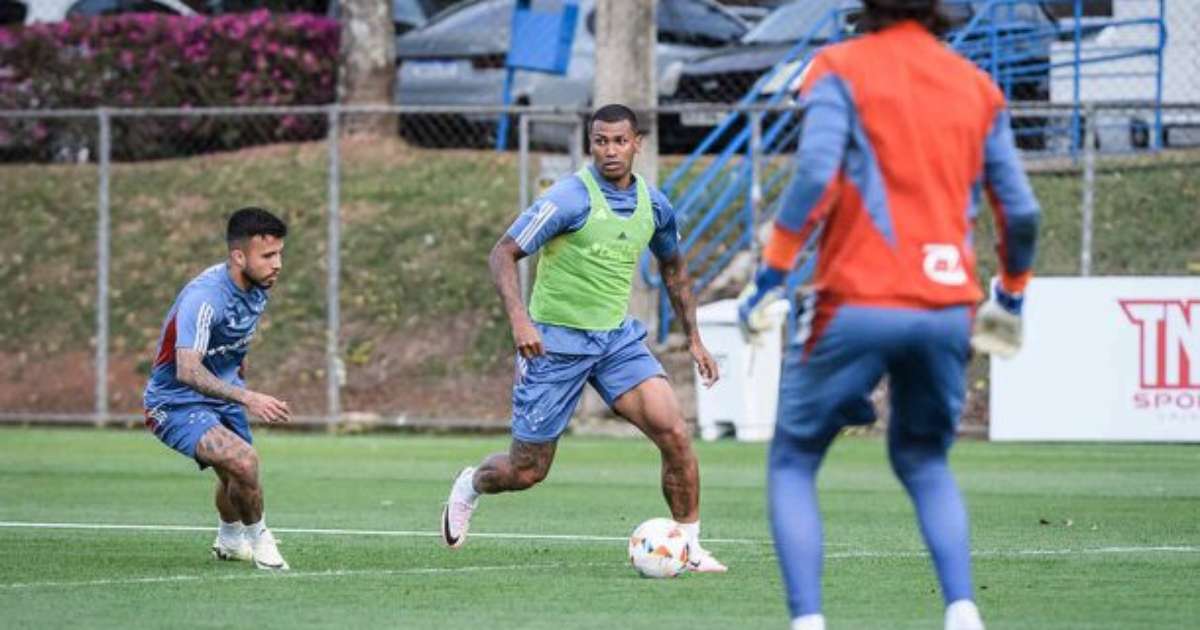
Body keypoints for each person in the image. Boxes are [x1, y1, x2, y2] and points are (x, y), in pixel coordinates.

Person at [736, 1, 1040, 628]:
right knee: (925, 461)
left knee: (794, 458)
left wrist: (771, 275)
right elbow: (1022, 212)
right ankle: (961, 611)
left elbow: (817, 172)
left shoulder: (839, 66)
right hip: (947, 307)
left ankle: (809, 621)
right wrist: (1010, 293)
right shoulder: (980, 88)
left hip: (857, 299)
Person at [440, 104, 727, 572]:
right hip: (553, 345)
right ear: (589, 144)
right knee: (526, 471)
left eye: (619, 141)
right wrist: (520, 322)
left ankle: (690, 547)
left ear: (638, 143)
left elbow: (673, 267)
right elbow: (503, 254)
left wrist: (693, 337)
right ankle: (471, 484)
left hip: (615, 342)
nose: (610, 150)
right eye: (600, 141)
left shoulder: (654, 204)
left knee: (674, 432)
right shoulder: (568, 199)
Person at [142, 207, 293, 571]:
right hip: (176, 401)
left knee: (237, 474)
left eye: (280, 254)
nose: (278, 264)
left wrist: (237, 379)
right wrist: (248, 397)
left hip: (222, 393)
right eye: (268, 256)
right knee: (243, 460)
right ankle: (261, 539)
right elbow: (187, 369)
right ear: (239, 256)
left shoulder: (257, 286)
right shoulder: (205, 298)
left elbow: (232, 343)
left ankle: (228, 539)